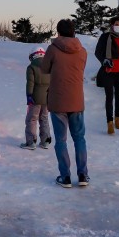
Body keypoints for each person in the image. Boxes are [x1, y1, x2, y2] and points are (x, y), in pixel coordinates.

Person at [41, 19, 89, 188]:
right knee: (79, 139)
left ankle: (65, 177)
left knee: (61, 140)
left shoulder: (53, 49)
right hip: (76, 100)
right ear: (73, 32)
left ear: (59, 32)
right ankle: (83, 175)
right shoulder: (82, 51)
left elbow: (44, 69)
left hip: (58, 100)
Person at [20, 47, 52, 150]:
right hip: (47, 98)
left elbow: (30, 82)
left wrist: (29, 95)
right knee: (44, 118)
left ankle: (31, 142)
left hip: (35, 98)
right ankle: (45, 141)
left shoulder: (31, 67)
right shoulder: (50, 67)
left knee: (31, 119)